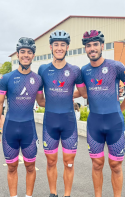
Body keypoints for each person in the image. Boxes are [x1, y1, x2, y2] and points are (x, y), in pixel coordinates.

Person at [77, 30, 125, 197]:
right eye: (88, 46)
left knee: (116, 165)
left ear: (102, 46)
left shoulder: (116, 66)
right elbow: (82, 93)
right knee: (97, 164)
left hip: (114, 122)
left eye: (95, 44)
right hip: (94, 123)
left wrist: (121, 109)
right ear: (85, 49)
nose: (92, 48)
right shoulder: (84, 70)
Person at [0, 37, 45, 197]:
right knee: (12, 167)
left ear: (33, 55)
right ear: (18, 55)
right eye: (23, 52)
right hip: (10, 130)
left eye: (29, 52)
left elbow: (41, 102)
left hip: (29, 129)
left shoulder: (37, 79)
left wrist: (62, 99)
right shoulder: (7, 78)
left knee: (30, 167)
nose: (26, 55)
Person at [37, 30, 87, 197]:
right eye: (56, 45)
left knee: (69, 163)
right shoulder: (43, 69)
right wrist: (54, 98)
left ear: (67, 48)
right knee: (51, 162)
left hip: (69, 123)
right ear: (51, 47)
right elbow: (39, 99)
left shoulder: (75, 70)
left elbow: (82, 92)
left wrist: (65, 95)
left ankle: (67, 195)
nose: (59, 48)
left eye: (62, 45)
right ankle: (53, 193)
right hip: (50, 123)